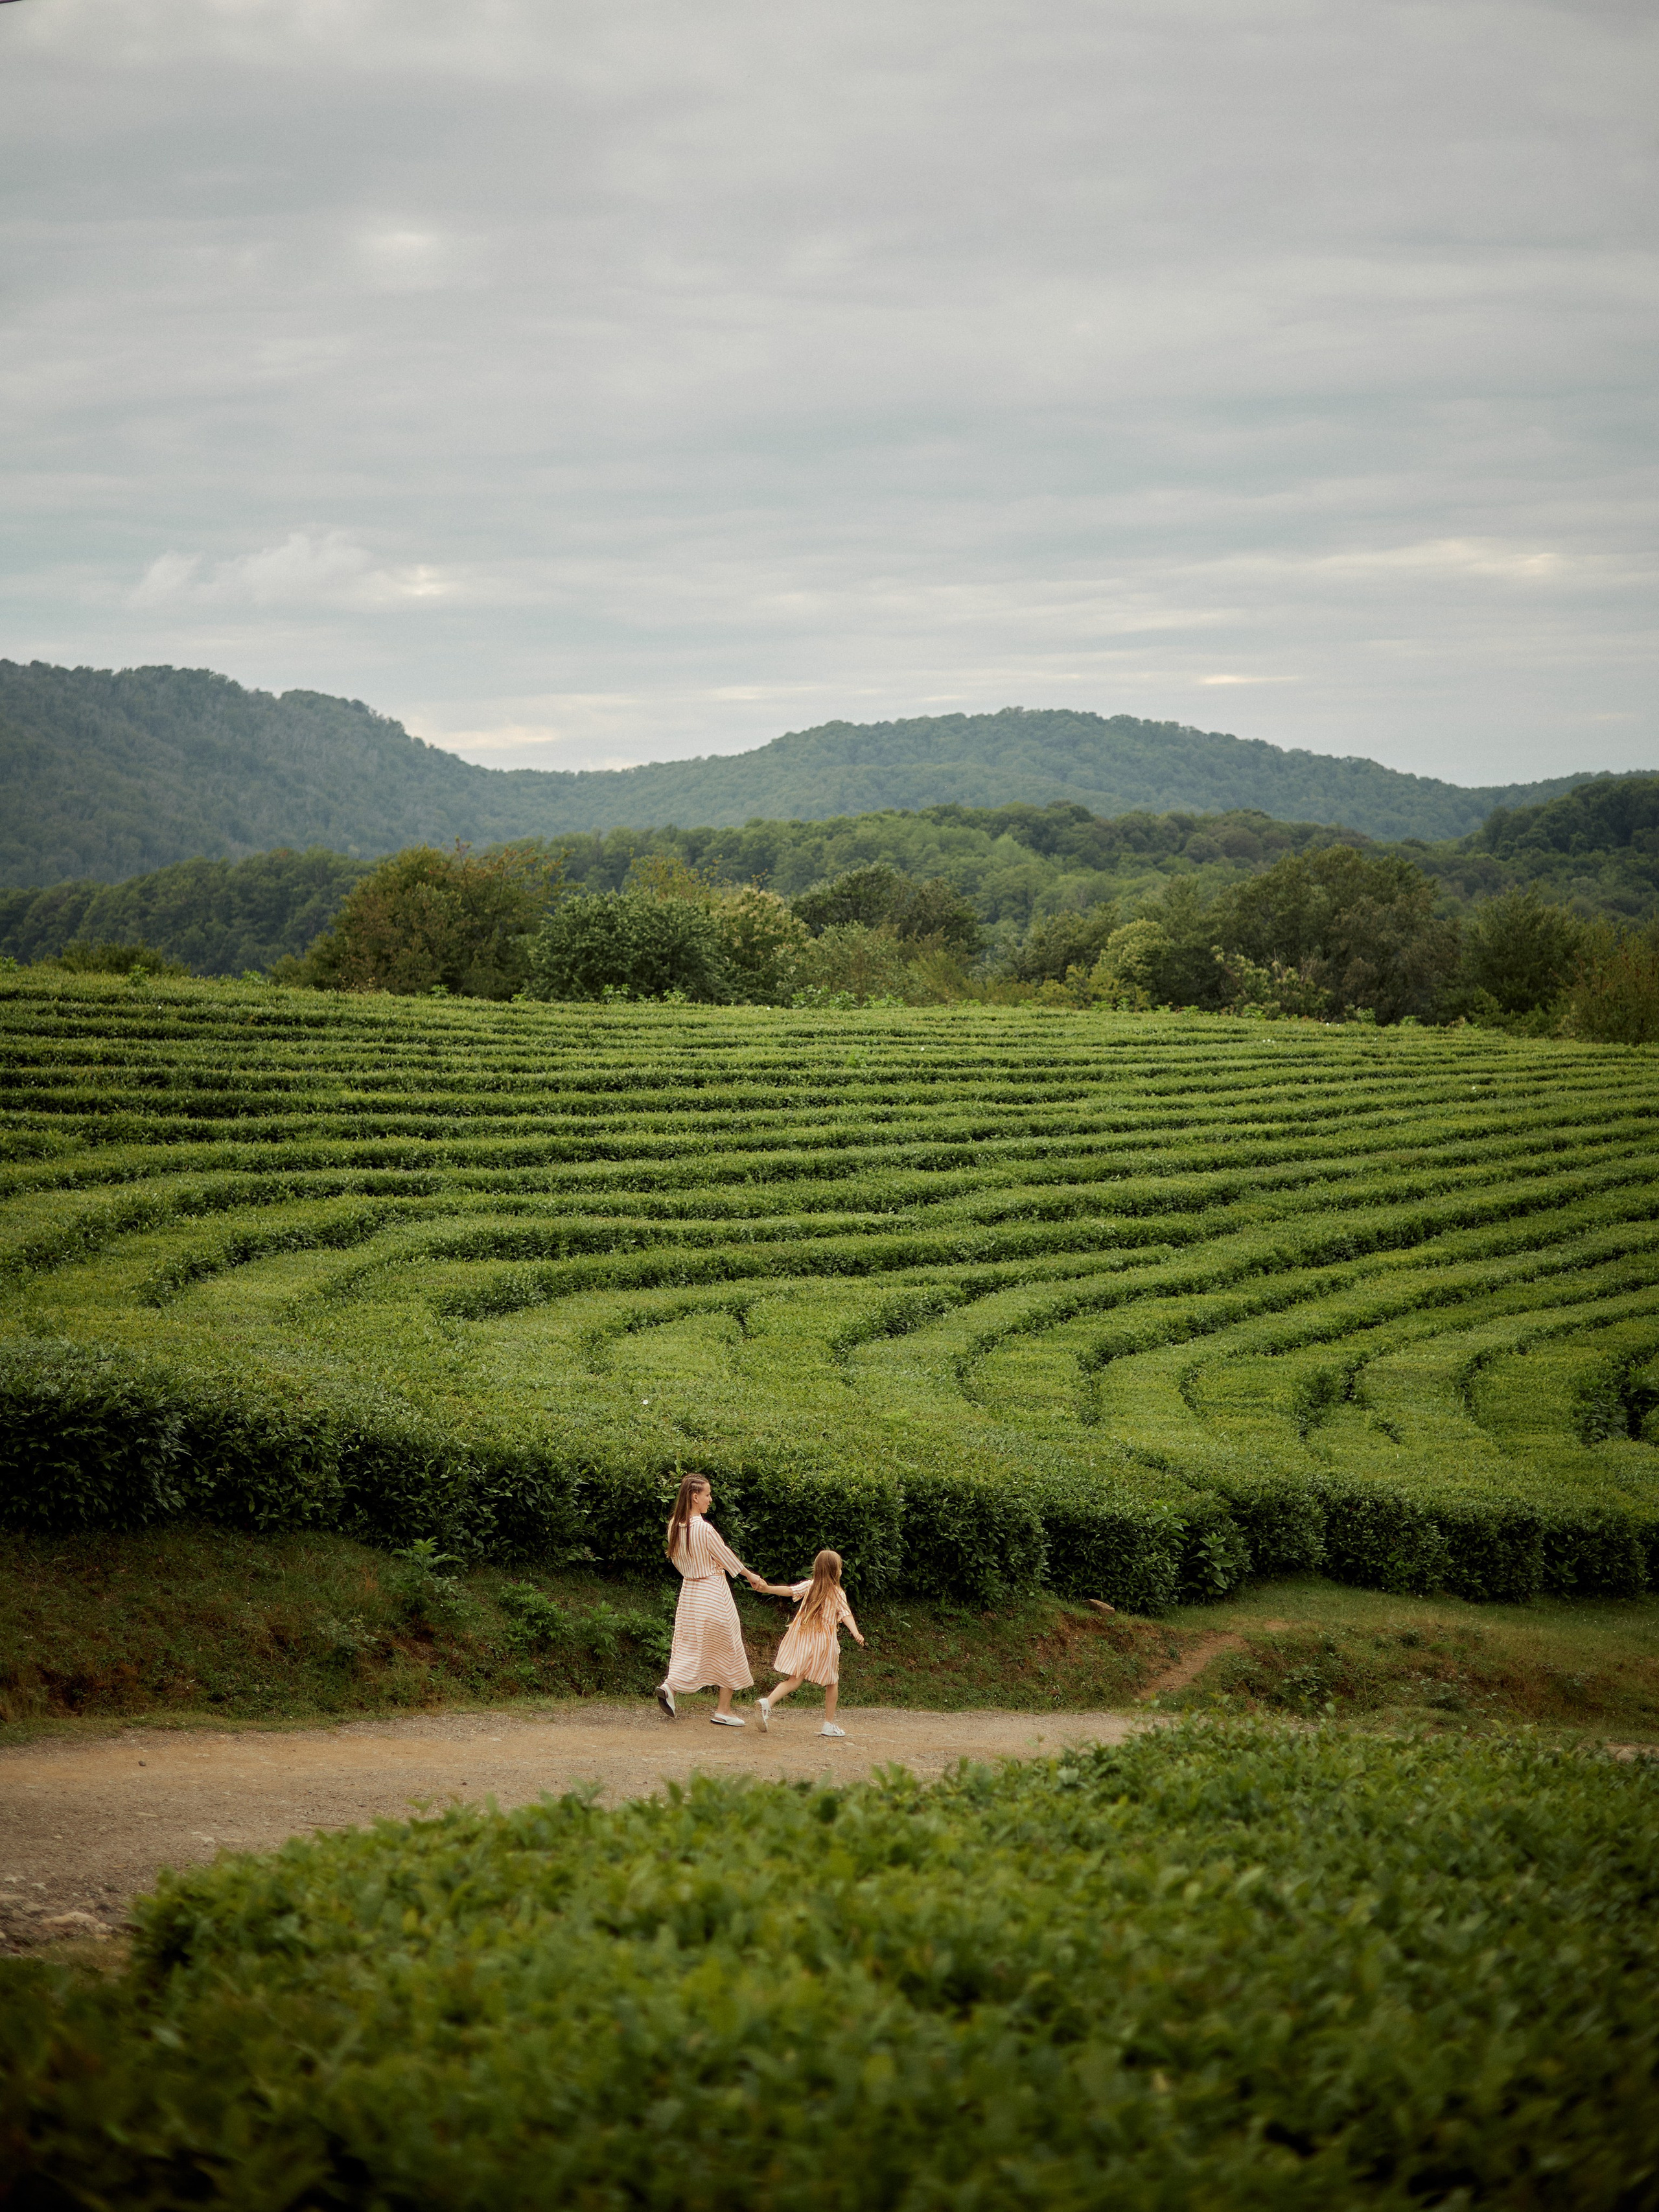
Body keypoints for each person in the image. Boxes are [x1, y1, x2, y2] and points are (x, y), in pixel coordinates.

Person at [657, 1472, 767, 1725]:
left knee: (689, 1646)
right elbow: (726, 1556)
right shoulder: (703, 1529)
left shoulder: (675, 1525)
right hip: (713, 1591)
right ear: (695, 1497)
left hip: (690, 1594)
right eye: (707, 1495)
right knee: (729, 1646)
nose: (710, 1499)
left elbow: (677, 1559)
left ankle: (670, 1686)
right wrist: (752, 1576)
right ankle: (723, 1710)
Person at [752, 1549, 864, 1738]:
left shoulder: (810, 1586)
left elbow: (789, 1591)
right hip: (824, 1643)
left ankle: (767, 1703)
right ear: (836, 1570)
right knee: (832, 1682)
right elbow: (846, 1615)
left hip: (803, 1638)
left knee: (794, 1679)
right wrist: (856, 1633)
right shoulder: (837, 1593)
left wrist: (768, 1588)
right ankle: (828, 1724)